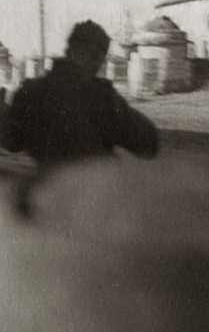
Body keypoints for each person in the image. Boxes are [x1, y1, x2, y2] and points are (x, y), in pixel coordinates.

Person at [2, 20, 159, 216]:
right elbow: (148, 143)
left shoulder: (28, 91)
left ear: (68, 50)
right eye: (100, 60)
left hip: (43, 201)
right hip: (93, 207)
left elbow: (11, 143)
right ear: (96, 56)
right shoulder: (100, 96)